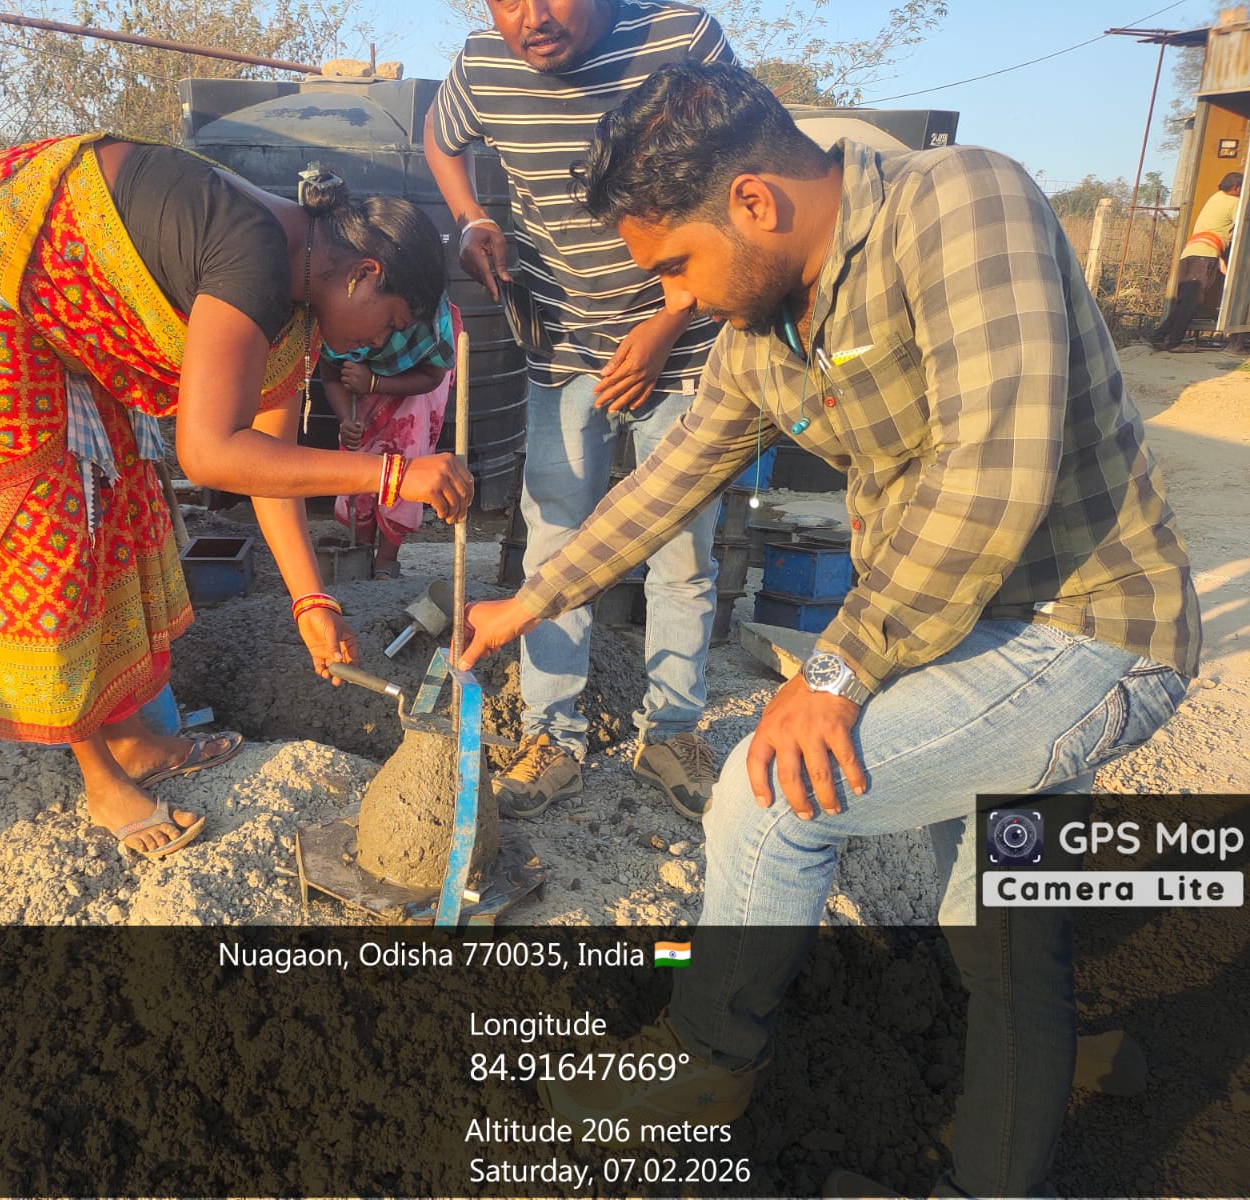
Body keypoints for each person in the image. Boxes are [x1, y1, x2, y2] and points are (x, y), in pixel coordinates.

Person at [457, 62, 1200, 1197]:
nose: (677, 298)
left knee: (769, 795)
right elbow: (669, 479)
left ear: (753, 201)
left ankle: (706, 1065)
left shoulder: (963, 203)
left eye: (675, 266)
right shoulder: (763, 333)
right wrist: (532, 596)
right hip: (956, 630)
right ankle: (1037, 1113)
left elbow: (990, 473)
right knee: (1000, 929)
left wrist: (837, 671)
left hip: (1086, 631)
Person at [0, 136, 473, 860]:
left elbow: (265, 466)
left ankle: (132, 741)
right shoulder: (256, 258)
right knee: (48, 519)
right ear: (364, 275)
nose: (382, 344)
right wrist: (391, 475)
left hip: (58, 306)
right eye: (393, 323)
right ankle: (98, 774)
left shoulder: (297, 299)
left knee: (119, 490)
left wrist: (311, 602)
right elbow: (209, 452)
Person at [425, 0, 735, 823]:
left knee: (682, 553)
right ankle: (552, 736)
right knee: (555, 541)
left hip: (684, 346)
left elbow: (736, 184)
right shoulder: (483, 63)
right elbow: (440, 137)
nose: (530, 17)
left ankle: (672, 733)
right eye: (506, 0)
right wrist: (473, 219)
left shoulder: (682, 40)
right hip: (561, 348)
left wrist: (670, 320)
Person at [318, 294, 462, 579]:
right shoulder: (342, 316)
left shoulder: (425, 324)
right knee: (359, 464)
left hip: (414, 391)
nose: (375, 340)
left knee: (404, 468)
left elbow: (432, 375)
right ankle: (361, 548)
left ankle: (386, 557)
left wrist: (375, 382)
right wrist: (346, 419)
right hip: (360, 393)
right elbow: (331, 373)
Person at [1151, 170, 1242, 351]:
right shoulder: (1234, 202)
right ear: (1237, 188)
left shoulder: (1215, 198)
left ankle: (1160, 337)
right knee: (1191, 303)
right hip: (1204, 255)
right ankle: (1174, 342)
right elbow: (1243, 226)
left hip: (1190, 253)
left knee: (1183, 301)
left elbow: (1217, 227)